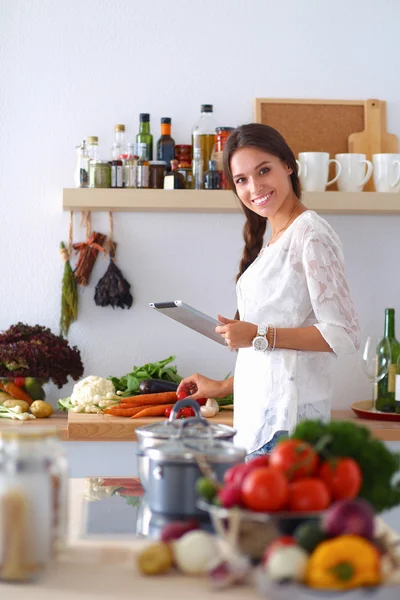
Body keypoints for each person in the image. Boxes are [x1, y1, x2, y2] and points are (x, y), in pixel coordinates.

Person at [177, 123, 360, 457]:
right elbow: (277, 362)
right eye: (242, 180)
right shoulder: (276, 238)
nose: (255, 187)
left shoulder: (311, 235)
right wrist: (222, 387)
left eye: (264, 170)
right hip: (260, 424)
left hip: (287, 430)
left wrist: (258, 334)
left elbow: (343, 334)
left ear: (287, 165)